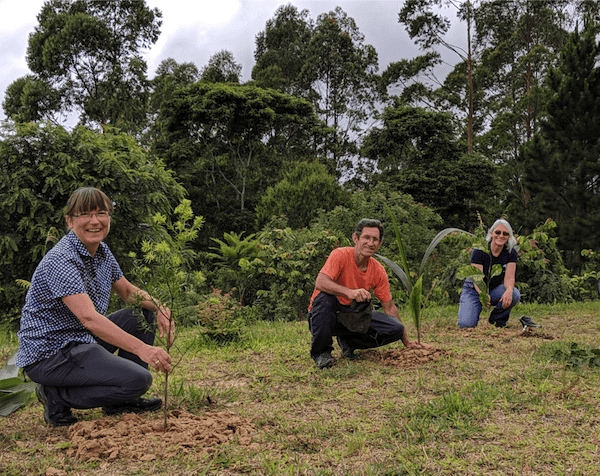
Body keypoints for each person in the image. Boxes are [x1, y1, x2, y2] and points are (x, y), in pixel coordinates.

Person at [15, 187, 174, 427]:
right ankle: (54, 395)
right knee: (139, 380)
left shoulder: (102, 252)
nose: (94, 221)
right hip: (50, 353)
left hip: (81, 340)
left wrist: (161, 307)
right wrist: (144, 349)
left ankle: (121, 402)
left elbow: (129, 292)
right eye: (84, 214)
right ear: (70, 221)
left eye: (101, 213)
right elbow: (88, 318)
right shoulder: (62, 260)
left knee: (142, 313)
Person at [307, 218, 431, 369]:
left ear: (380, 243)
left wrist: (406, 341)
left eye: (375, 239)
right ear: (355, 238)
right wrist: (349, 292)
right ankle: (322, 353)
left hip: (352, 317)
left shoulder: (378, 270)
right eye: (366, 237)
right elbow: (320, 282)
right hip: (324, 317)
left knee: (395, 328)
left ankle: (348, 342)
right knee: (325, 298)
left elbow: (389, 307)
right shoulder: (340, 255)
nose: (370, 243)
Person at [457, 218, 537, 329]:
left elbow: (509, 278)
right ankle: (472, 309)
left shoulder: (511, 252)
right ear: (491, 234)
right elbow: (477, 278)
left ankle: (497, 320)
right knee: (466, 325)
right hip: (475, 289)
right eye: (498, 232)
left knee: (514, 293)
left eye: (505, 233)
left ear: (509, 236)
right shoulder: (480, 250)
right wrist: (483, 295)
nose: (501, 236)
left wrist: (508, 291)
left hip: (494, 288)